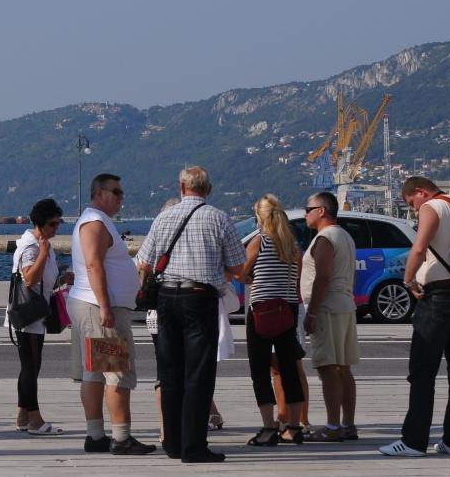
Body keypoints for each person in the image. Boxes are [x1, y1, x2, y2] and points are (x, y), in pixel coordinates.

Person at [137, 166, 244, 463]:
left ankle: (172, 443)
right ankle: (193, 446)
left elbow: (144, 263)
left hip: (166, 297)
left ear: (182, 188)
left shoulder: (163, 217)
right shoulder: (219, 218)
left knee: (169, 371)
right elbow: (238, 267)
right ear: (208, 189)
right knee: (198, 372)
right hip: (199, 297)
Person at [379, 176, 450, 458]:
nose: (413, 210)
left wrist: (408, 280)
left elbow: (419, 248)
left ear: (420, 192)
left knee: (423, 370)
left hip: (439, 297)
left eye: (411, 203)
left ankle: (413, 441)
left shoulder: (431, 207)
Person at [72, 173, 155, 456]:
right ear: (99, 193)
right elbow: (94, 265)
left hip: (93, 305)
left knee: (95, 372)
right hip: (99, 308)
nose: (121, 197)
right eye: (116, 192)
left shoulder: (97, 221)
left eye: (121, 192)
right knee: (116, 371)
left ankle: (96, 435)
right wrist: (105, 306)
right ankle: (121, 437)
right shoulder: (94, 223)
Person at [5, 198, 73, 435]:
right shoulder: (33, 247)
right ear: (40, 223)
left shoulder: (42, 244)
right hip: (28, 313)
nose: (56, 228)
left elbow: (43, 280)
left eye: (58, 223)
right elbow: (30, 279)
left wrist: (62, 279)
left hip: (35, 311)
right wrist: (43, 254)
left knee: (31, 366)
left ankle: (23, 416)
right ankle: (35, 420)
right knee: (30, 367)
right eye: (52, 224)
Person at [240, 194, 305, 445]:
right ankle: (294, 427)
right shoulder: (291, 244)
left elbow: (241, 272)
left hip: (262, 309)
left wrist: (249, 278)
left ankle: (268, 428)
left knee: (260, 369)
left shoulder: (259, 241)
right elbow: (296, 275)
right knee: (289, 367)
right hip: (287, 307)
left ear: (260, 216)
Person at [301, 191, 360, 442]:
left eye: (308, 209)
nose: (306, 214)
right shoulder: (345, 236)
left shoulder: (325, 238)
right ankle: (348, 423)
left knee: (327, 368)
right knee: (344, 368)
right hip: (345, 304)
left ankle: (333, 425)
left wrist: (312, 311)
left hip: (327, 308)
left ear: (321, 211)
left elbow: (322, 278)